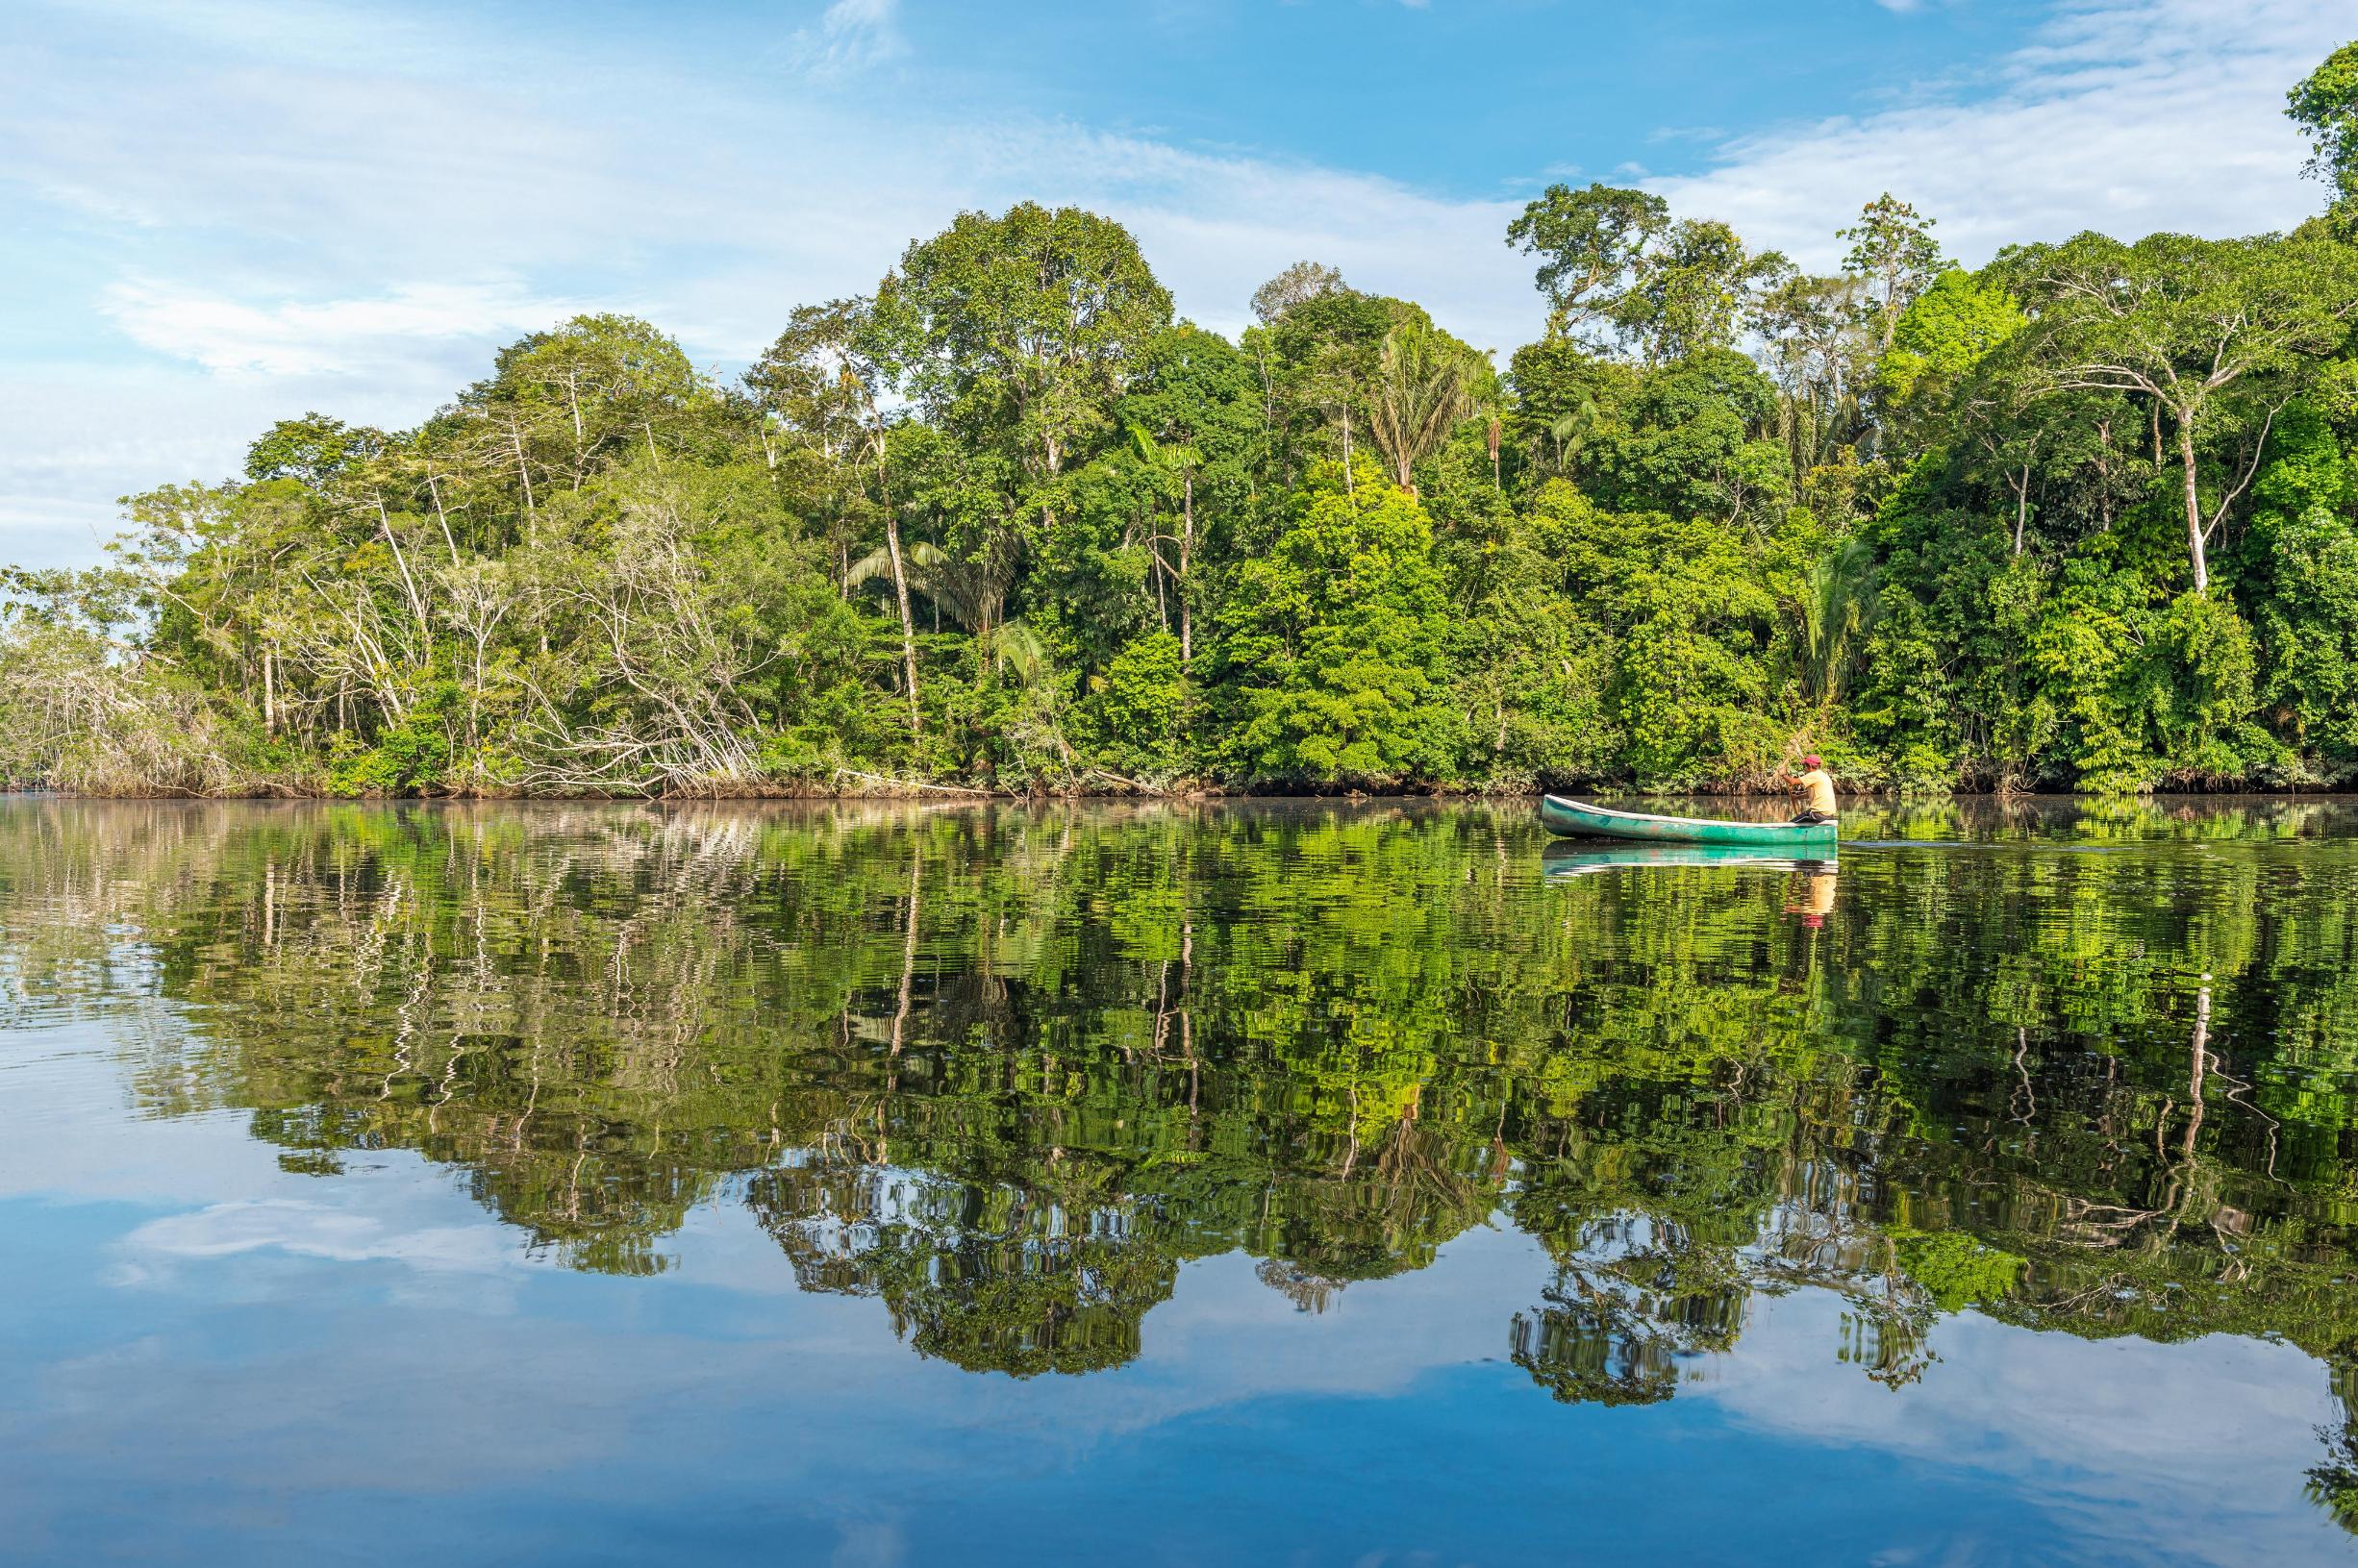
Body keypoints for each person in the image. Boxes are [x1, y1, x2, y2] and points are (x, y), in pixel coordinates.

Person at [1786, 754, 1838, 825]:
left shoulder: (1814, 775)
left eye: (1805, 766)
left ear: (1809, 766)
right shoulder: (1823, 775)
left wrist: (1783, 775)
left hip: (1818, 814)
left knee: (1790, 824)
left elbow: (1793, 782)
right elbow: (1812, 794)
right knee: (1800, 820)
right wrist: (1797, 797)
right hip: (1828, 814)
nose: (1804, 768)